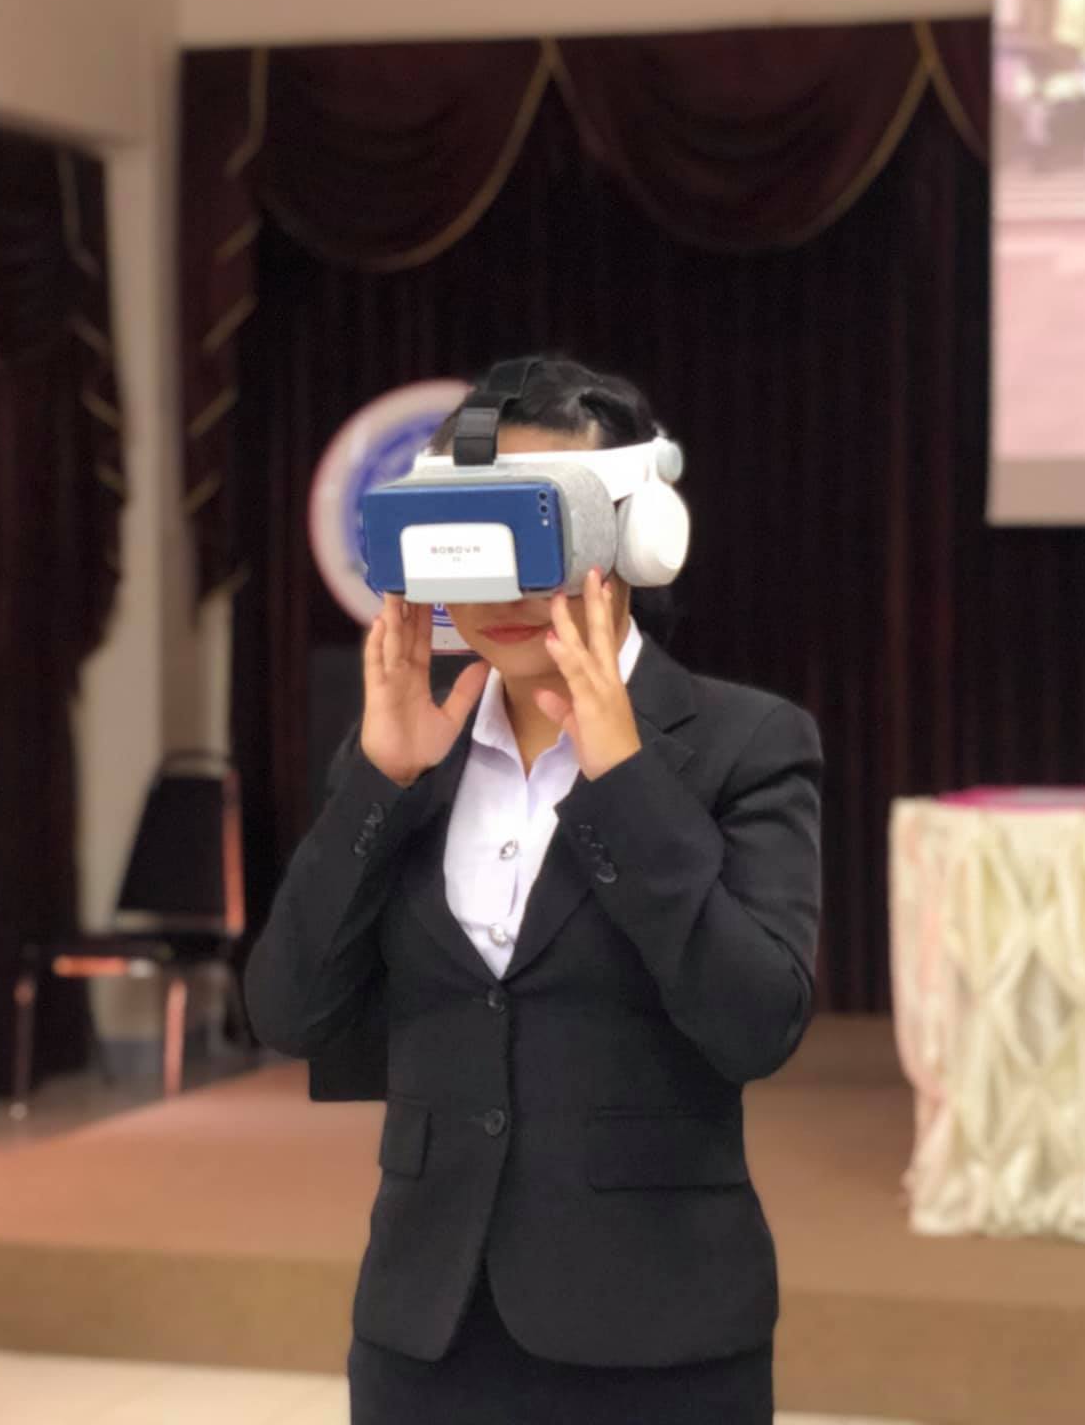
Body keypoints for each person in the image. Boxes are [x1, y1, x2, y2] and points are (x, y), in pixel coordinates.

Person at [245, 357, 823, 1425]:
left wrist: (626, 783)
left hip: (660, 1336)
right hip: (426, 1331)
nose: (501, 590)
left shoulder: (747, 743)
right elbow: (288, 1012)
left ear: (639, 537)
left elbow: (757, 1024)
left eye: (540, 534)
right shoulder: (407, 748)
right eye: (471, 539)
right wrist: (379, 787)